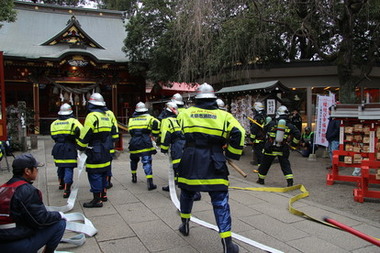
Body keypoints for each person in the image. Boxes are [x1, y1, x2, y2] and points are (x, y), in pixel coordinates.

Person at [176, 83, 245, 253]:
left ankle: (184, 225)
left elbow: (179, 130)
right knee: (220, 201)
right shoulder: (224, 116)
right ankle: (227, 244)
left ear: (197, 98)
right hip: (215, 159)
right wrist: (230, 154)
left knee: (187, 193)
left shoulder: (185, 113)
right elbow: (240, 133)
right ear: (214, 98)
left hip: (190, 158)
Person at [0, 153, 66, 253]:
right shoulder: (27, 190)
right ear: (27, 171)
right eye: (35, 168)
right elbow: (41, 220)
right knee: (60, 223)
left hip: (4, 239)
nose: (37, 170)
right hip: (16, 244)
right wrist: (59, 214)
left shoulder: (3, 188)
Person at [78, 93, 116, 208]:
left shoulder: (92, 116)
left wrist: (80, 146)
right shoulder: (106, 116)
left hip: (95, 148)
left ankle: (97, 200)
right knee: (104, 171)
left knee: (94, 174)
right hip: (106, 148)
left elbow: (86, 133)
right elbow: (113, 130)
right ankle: (103, 195)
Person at [257, 105, 301, 187]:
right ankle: (290, 182)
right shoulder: (289, 125)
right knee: (285, 165)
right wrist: (294, 144)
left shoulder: (272, 123)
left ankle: (261, 180)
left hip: (270, 148)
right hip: (283, 148)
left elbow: (264, 130)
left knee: (265, 165)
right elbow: (298, 134)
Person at [50, 103, 83, 198]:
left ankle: (61, 184)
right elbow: (81, 132)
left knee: (60, 166)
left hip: (58, 147)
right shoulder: (74, 122)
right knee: (68, 168)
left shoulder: (54, 123)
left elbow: (53, 136)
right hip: (69, 147)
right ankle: (67, 189)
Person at [128, 102, 160, 190]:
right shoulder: (149, 118)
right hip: (145, 141)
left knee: (133, 160)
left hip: (134, 141)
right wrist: (154, 135)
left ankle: (134, 177)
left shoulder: (131, 120)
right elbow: (157, 124)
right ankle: (150, 183)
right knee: (146, 162)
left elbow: (130, 131)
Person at [159, 101, 185, 192]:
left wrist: (164, 148)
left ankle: (193, 192)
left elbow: (165, 135)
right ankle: (172, 184)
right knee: (181, 165)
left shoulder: (166, 121)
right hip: (185, 143)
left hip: (177, 144)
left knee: (178, 166)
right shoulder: (179, 118)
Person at [105, 106, 119, 189]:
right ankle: (108, 181)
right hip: (108, 141)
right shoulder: (110, 113)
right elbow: (114, 126)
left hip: (96, 143)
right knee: (108, 163)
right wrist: (114, 139)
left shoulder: (91, 114)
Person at [249, 102, 266, 173]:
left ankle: (261, 169)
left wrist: (252, 138)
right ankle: (260, 168)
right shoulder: (264, 116)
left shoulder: (257, 118)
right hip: (264, 138)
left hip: (258, 140)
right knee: (261, 154)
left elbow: (254, 129)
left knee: (259, 155)